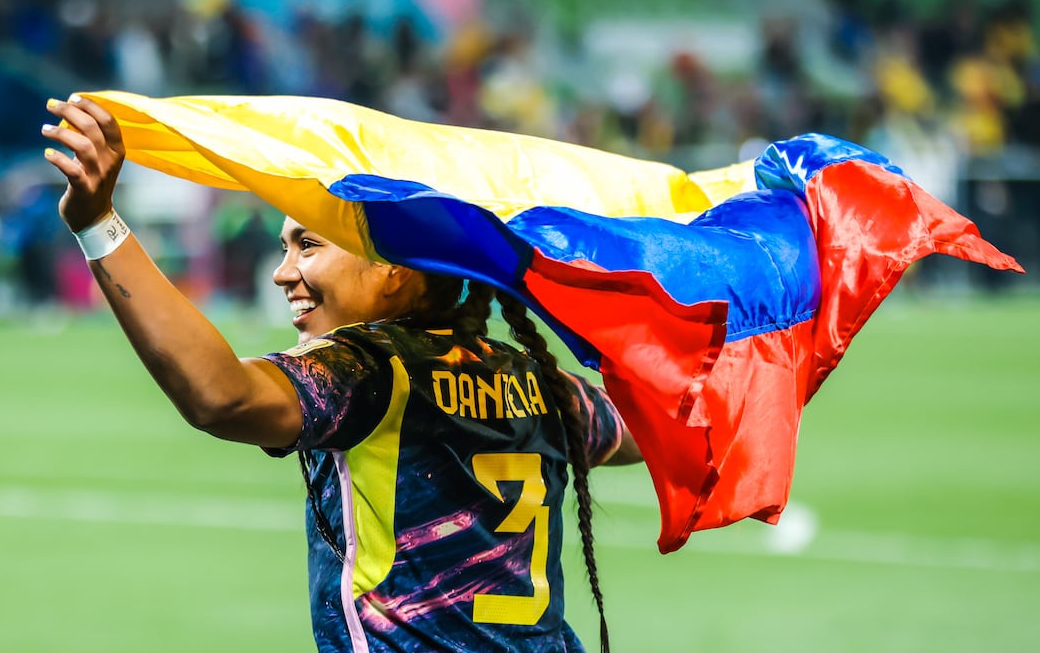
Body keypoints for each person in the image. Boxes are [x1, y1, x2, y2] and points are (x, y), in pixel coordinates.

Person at [41, 95, 643, 653]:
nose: (282, 273)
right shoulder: (540, 383)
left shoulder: (372, 369)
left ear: (393, 270)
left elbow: (220, 396)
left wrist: (99, 224)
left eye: (308, 246)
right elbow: (644, 430)